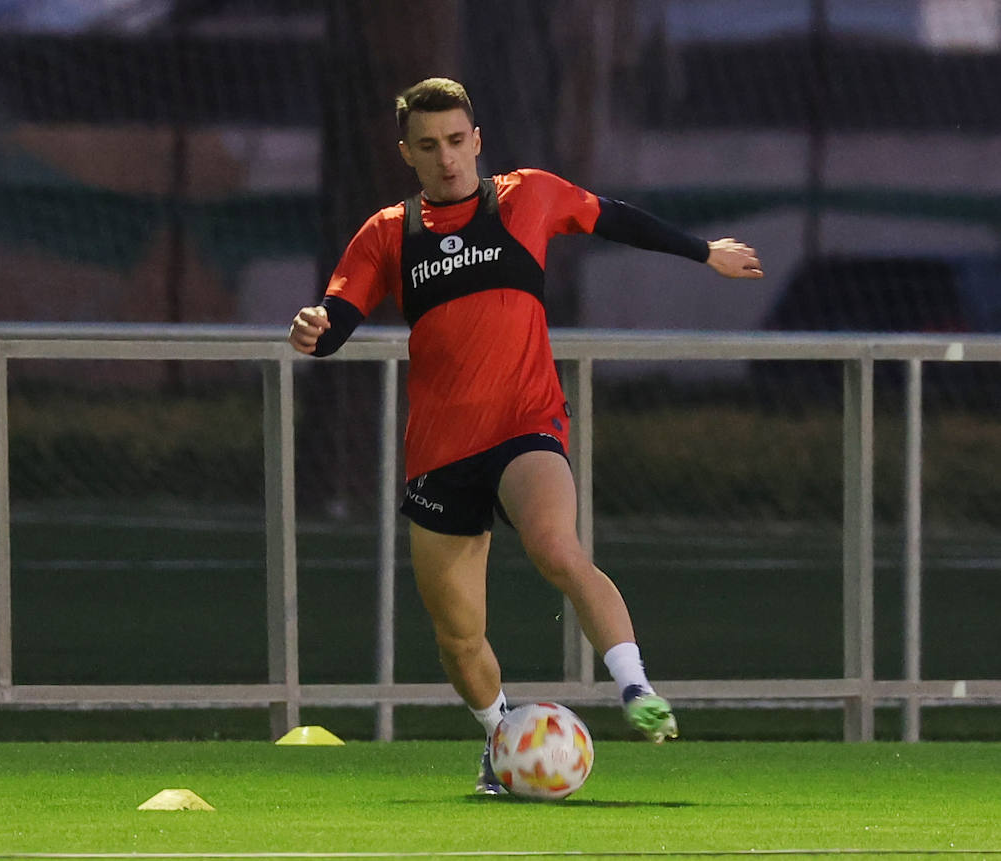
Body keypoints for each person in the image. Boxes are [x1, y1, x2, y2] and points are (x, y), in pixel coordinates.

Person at [288, 77, 763, 795]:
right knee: (458, 636)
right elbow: (336, 321)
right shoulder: (389, 232)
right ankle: (502, 736)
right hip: (441, 453)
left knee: (557, 547)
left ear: (476, 139)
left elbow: (614, 218)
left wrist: (705, 252)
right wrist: (314, 330)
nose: (446, 158)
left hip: (525, 426)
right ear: (406, 155)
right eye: (428, 146)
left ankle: (635, 688)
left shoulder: (525, 196)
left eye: (456, 141)